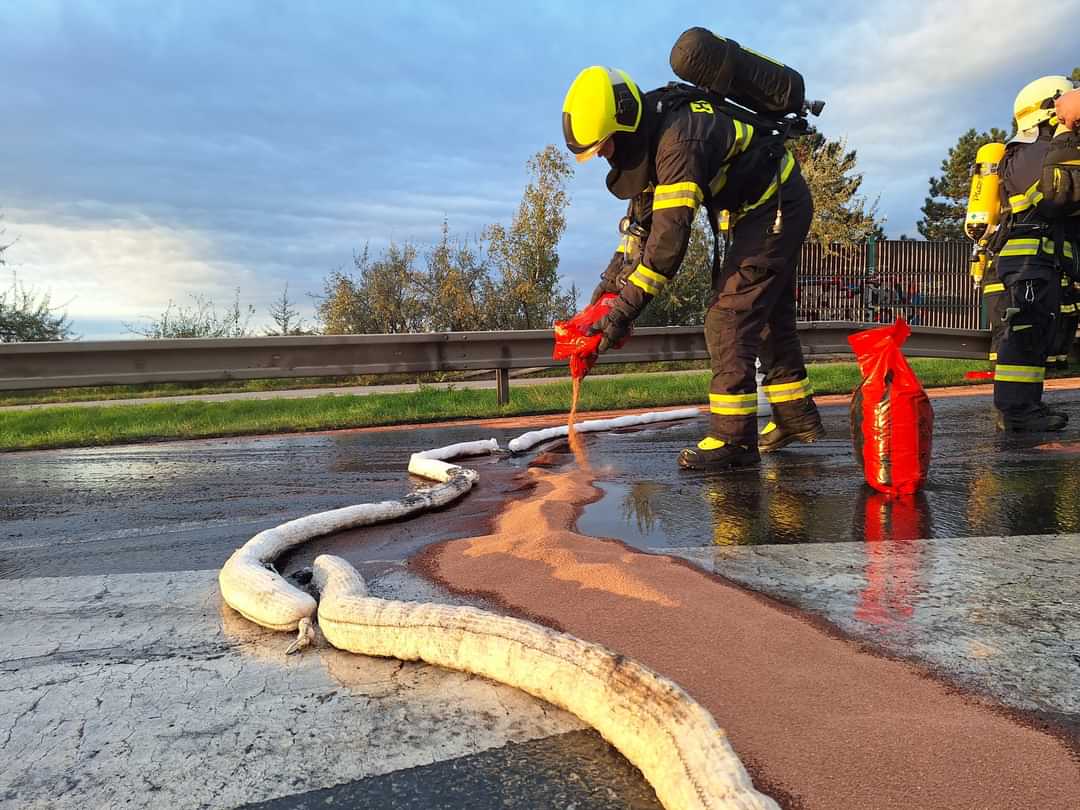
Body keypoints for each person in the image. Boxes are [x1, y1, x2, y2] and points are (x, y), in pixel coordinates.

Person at [561, 66, 824, 470]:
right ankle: (796, 417)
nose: (602, 155)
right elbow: (640, 229)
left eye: (603, 145)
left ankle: (733, 441)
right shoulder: (650, 133)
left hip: (775, 207)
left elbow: (666, 247)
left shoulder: (678, 142)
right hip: (766, 208)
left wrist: (622, 312)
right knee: (768, 315)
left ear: (623, 124)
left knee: (728, 317)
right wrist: (608, 290)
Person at [988, 75, 1080, 431]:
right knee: (1025, 331)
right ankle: (1018, 413)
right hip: (1028, 259)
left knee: (1036, 331)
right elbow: (1053, 198)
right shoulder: (1031, 151)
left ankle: (1027, 408)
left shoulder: (1048, 148)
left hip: (1042, 258)